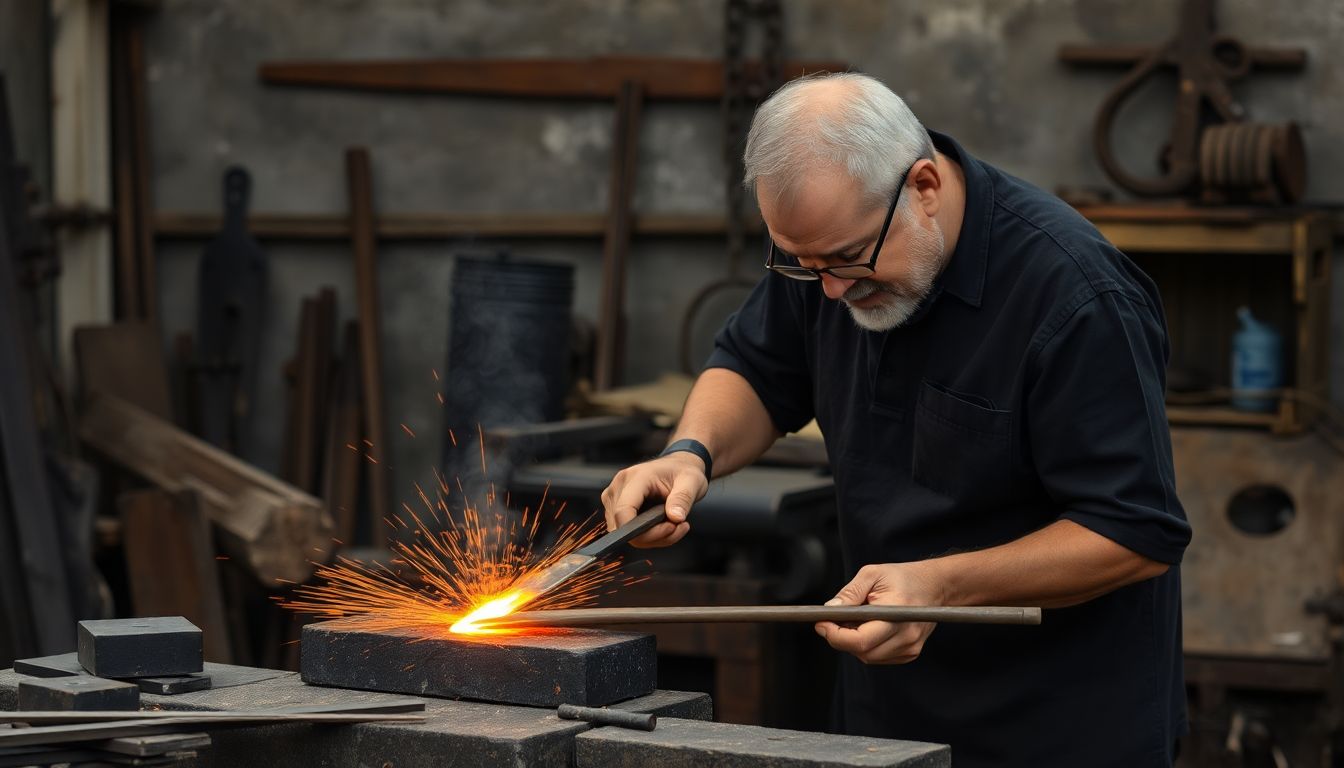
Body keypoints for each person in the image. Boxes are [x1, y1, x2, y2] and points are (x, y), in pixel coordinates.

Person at [600, 72, 1191, 767]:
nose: (831, 289)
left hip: (1058, 728)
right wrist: (689, 455)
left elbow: (1136, 530)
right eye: (802, 264)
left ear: (924, 188)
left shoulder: (1076, 298)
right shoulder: (832, 247)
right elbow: (758, 368)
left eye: (848, 260)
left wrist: (942, 586)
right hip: (887, 721)